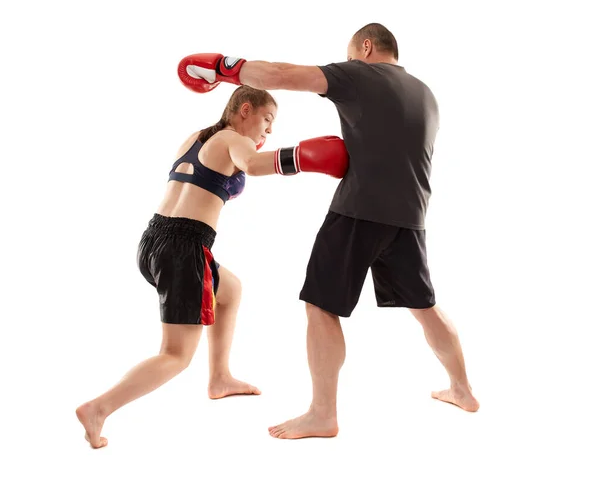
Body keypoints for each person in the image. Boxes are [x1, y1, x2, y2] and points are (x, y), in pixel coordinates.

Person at [178, 22, 480, 440]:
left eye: (353, 54)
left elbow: (281, 75)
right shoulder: (426, 93)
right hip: (411, 216)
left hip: (358, 210)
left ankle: (323, 413)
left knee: (321, 306)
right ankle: (462, 389)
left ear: (367, 47)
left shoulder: (358, 73)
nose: (348, 62)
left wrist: (225, 68)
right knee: (424, 306)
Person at [76, 85, 349, 448]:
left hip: (154, 239)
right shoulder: (235, 139)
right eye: (267, 120)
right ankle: (99, 408)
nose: (268, 131)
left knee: (230, 289)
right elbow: (251, 164)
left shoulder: (199, 137)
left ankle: (220, 378)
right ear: (245, 110)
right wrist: (302, 158)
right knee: (174, 355)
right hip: (183, 248)